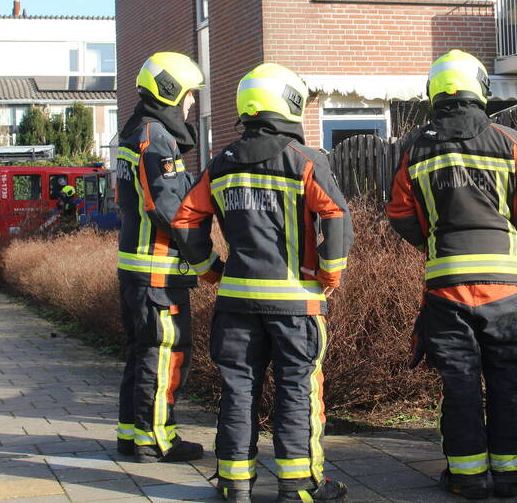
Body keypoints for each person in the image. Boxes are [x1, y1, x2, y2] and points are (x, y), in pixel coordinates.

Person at [171, 63, 353, 503]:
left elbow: (185, 219)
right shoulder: (306, 161)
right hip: (295, 306)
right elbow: (336, 216)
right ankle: (299, 488)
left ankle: (235, 485)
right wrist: (329, 275)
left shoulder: (221, 164)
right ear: (288, 103)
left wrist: (211, 269)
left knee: (238, 392)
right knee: (296, 394)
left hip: (235, 305)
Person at [385, 50, 517, 499]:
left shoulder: (415, 148)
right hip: (507, 288)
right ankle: (512, 476)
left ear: (434, 92)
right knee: (509, 384)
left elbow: (399, 211)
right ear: (480, 88)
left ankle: (467, 479)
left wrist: (432, 242)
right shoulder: (508, 139)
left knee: (459, 386)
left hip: (446, 289)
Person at [115, 51, 219, 463]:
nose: (192, 103)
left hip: (136, 270)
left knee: (141, 353)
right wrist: (208, 263)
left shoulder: (133, 131)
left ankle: (132, 434)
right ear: (171, 91)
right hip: (157, 273)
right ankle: (156, 439)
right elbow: (172, 208)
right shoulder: (156, 138)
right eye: (190, 95)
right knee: (164, 353)